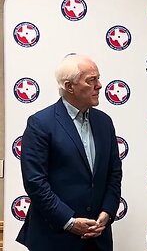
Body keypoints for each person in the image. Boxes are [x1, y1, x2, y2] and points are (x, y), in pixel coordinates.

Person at [16, 54, 123, 251]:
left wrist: (107, 212)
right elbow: (35, 182)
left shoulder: (104, 122)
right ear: (69, 86)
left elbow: (114, 173)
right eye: (91, 80)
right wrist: (69, 222)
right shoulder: (40, 124)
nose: (99, 85)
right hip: (54, 237)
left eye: (98, 78)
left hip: (97, 238)